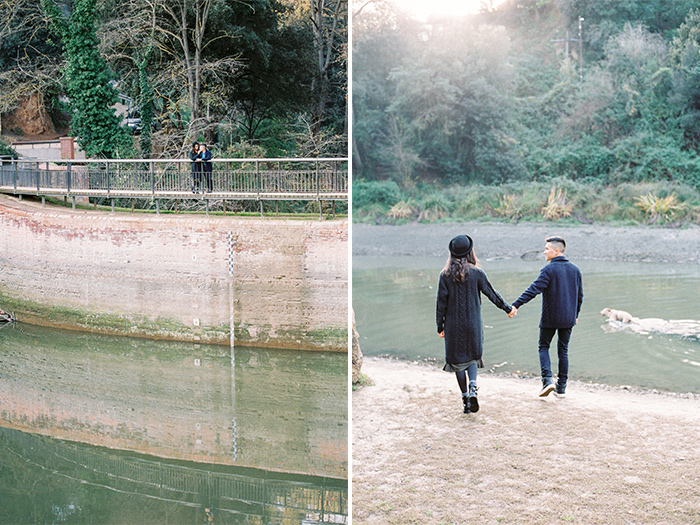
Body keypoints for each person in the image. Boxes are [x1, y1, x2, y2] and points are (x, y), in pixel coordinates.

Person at [436, 234, 515, 414]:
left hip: (453, 326)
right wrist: (508, 308)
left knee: (457, 362)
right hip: (472, 324)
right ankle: (473, 387)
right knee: (472, 357)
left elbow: (441, 303)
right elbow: (492, 294)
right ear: (470, 252)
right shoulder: (477, 273)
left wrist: (439, 326)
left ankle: (465, 400)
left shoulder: (445, 275)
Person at [509, 236, 583, 398]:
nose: (544, 252)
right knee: (563, 351)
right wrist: (575, 315)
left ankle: (547, 381)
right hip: (568, 318)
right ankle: (561, 388)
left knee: (544, 346)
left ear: (557, 251)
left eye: (547, 249)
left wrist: (516, 305)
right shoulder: (575, 269)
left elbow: (533, 289)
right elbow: (580, 296)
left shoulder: (549, 270)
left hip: (550, 317)